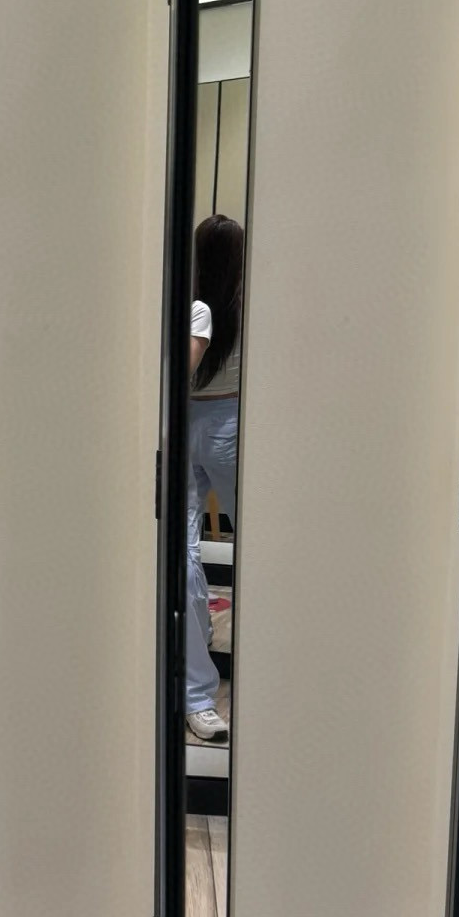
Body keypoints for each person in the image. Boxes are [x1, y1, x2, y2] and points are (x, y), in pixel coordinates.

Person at [186, 213, 243, 744]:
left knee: (182, 553)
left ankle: (198, 697)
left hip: (183, 421)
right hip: (228, 420)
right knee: (254, 548)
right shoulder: (242, 304)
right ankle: (201, 692)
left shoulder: (186, 303)